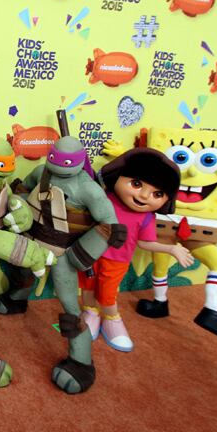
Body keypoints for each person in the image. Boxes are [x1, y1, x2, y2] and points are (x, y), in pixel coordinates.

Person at [81, 148, 193, 352]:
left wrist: (171, 249)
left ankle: (112, 319)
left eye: (157, 194)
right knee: (87, 286)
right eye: (136, 184)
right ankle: (90, 312)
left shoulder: (147, 217)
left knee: (107, 293)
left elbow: (145, 243)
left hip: (116, 261)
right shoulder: (104, 197)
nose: (143, 196)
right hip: (89, 253)